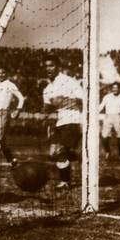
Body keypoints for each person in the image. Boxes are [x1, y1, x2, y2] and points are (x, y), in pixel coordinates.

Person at [42, 57, 83, 189]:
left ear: (58, 67)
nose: (49, 68)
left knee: (61, 150)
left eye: (52, 65)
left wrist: (82, 120)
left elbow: (83, 98)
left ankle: (66, 181)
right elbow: (47, 109)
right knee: (54, 153)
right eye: (46, 66)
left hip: (72, 120)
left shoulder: (69, 81)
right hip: (58, 123)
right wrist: (46, 115)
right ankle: (79, 159)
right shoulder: (47, 89)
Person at [98, 82, 120, 159]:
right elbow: (101, 107)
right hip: (108, 117)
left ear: (119, 89)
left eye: (116, 88)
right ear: (111, 89)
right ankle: (108, 152)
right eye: (113, 88)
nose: (115, 89)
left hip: (118, 117)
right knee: (104, 137)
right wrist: (94, 112)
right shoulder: (107, 97)